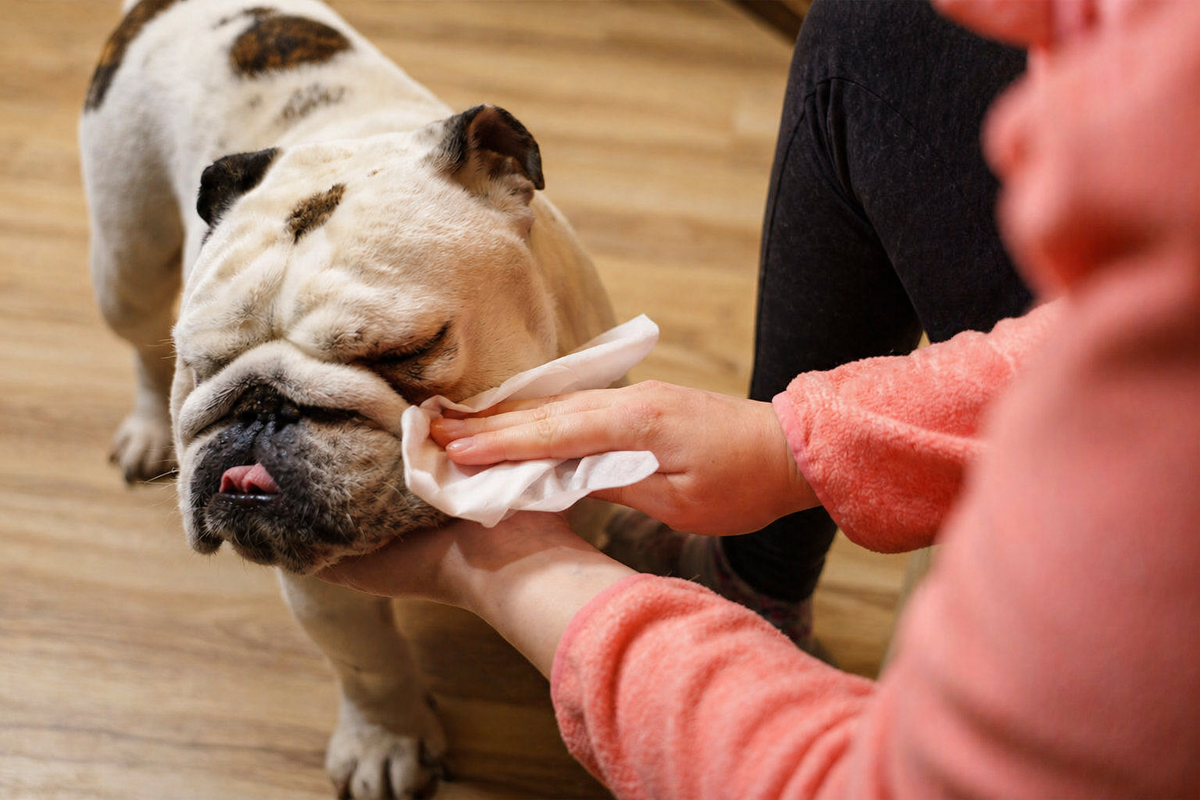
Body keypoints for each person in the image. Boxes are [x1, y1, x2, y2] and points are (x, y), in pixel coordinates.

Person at [322, 0, 1200, 796]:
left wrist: (511, 576)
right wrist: (796, 443)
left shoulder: (1152, 532)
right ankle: (759, 580)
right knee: (874, 35)